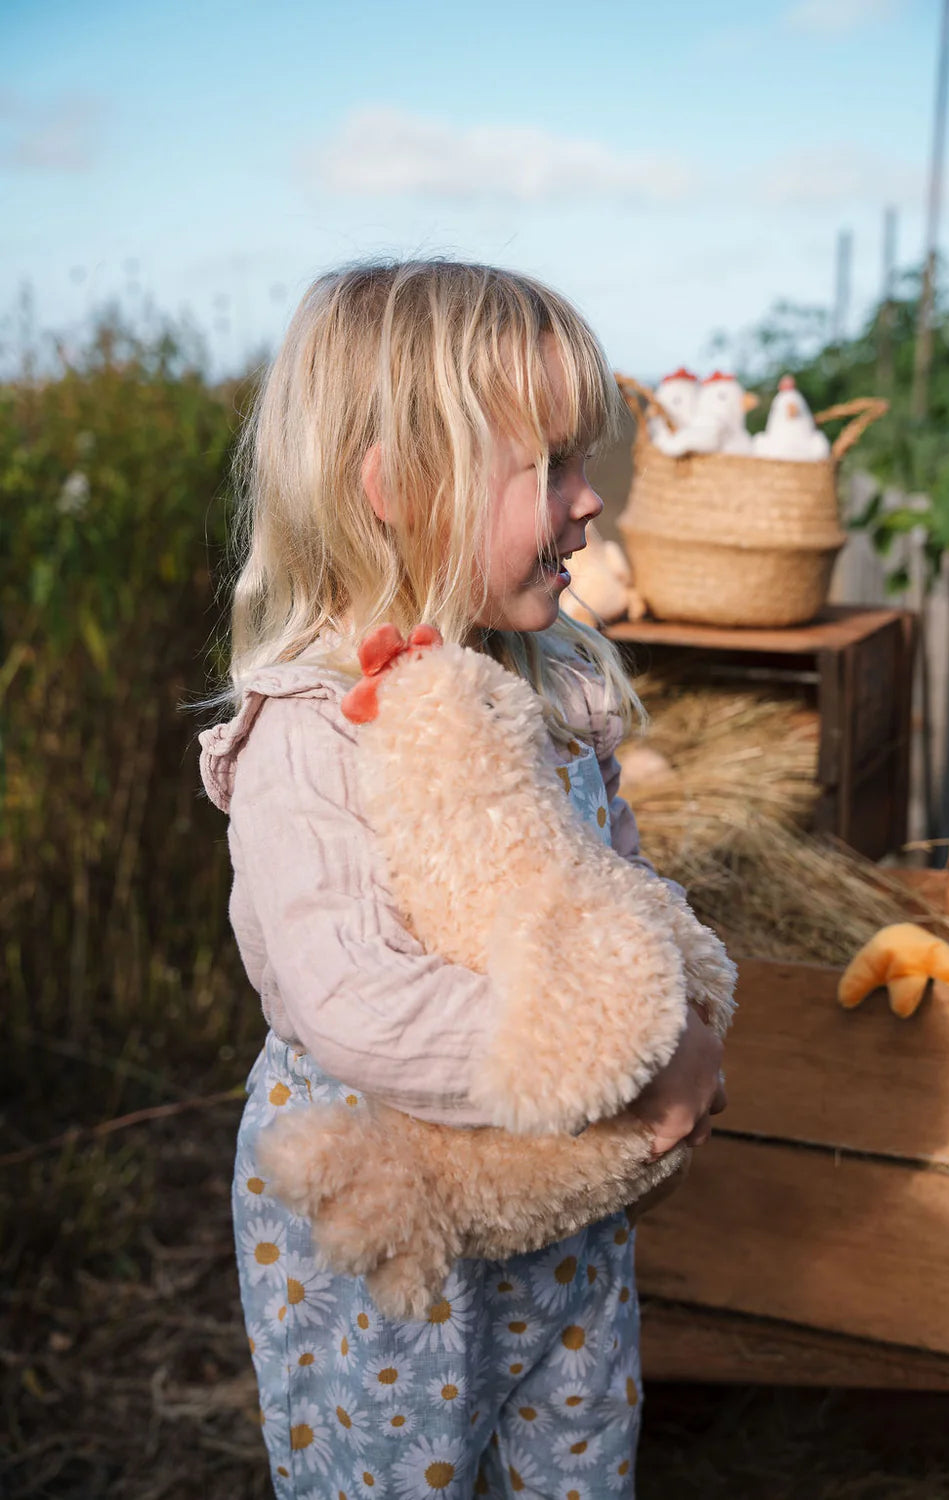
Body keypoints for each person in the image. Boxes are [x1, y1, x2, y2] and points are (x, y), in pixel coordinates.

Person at [199, 259, 727, 1499]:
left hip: (562, 1213)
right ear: (397, 488)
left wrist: (686, 1005)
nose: (591, 501)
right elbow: (360, 1005)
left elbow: (622, 885)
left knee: (577, 1459)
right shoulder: (316, 732)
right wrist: (631, 1058)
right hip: (396, 1227)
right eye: (550, 466)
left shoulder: (549, 682)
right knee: (396, 1476)